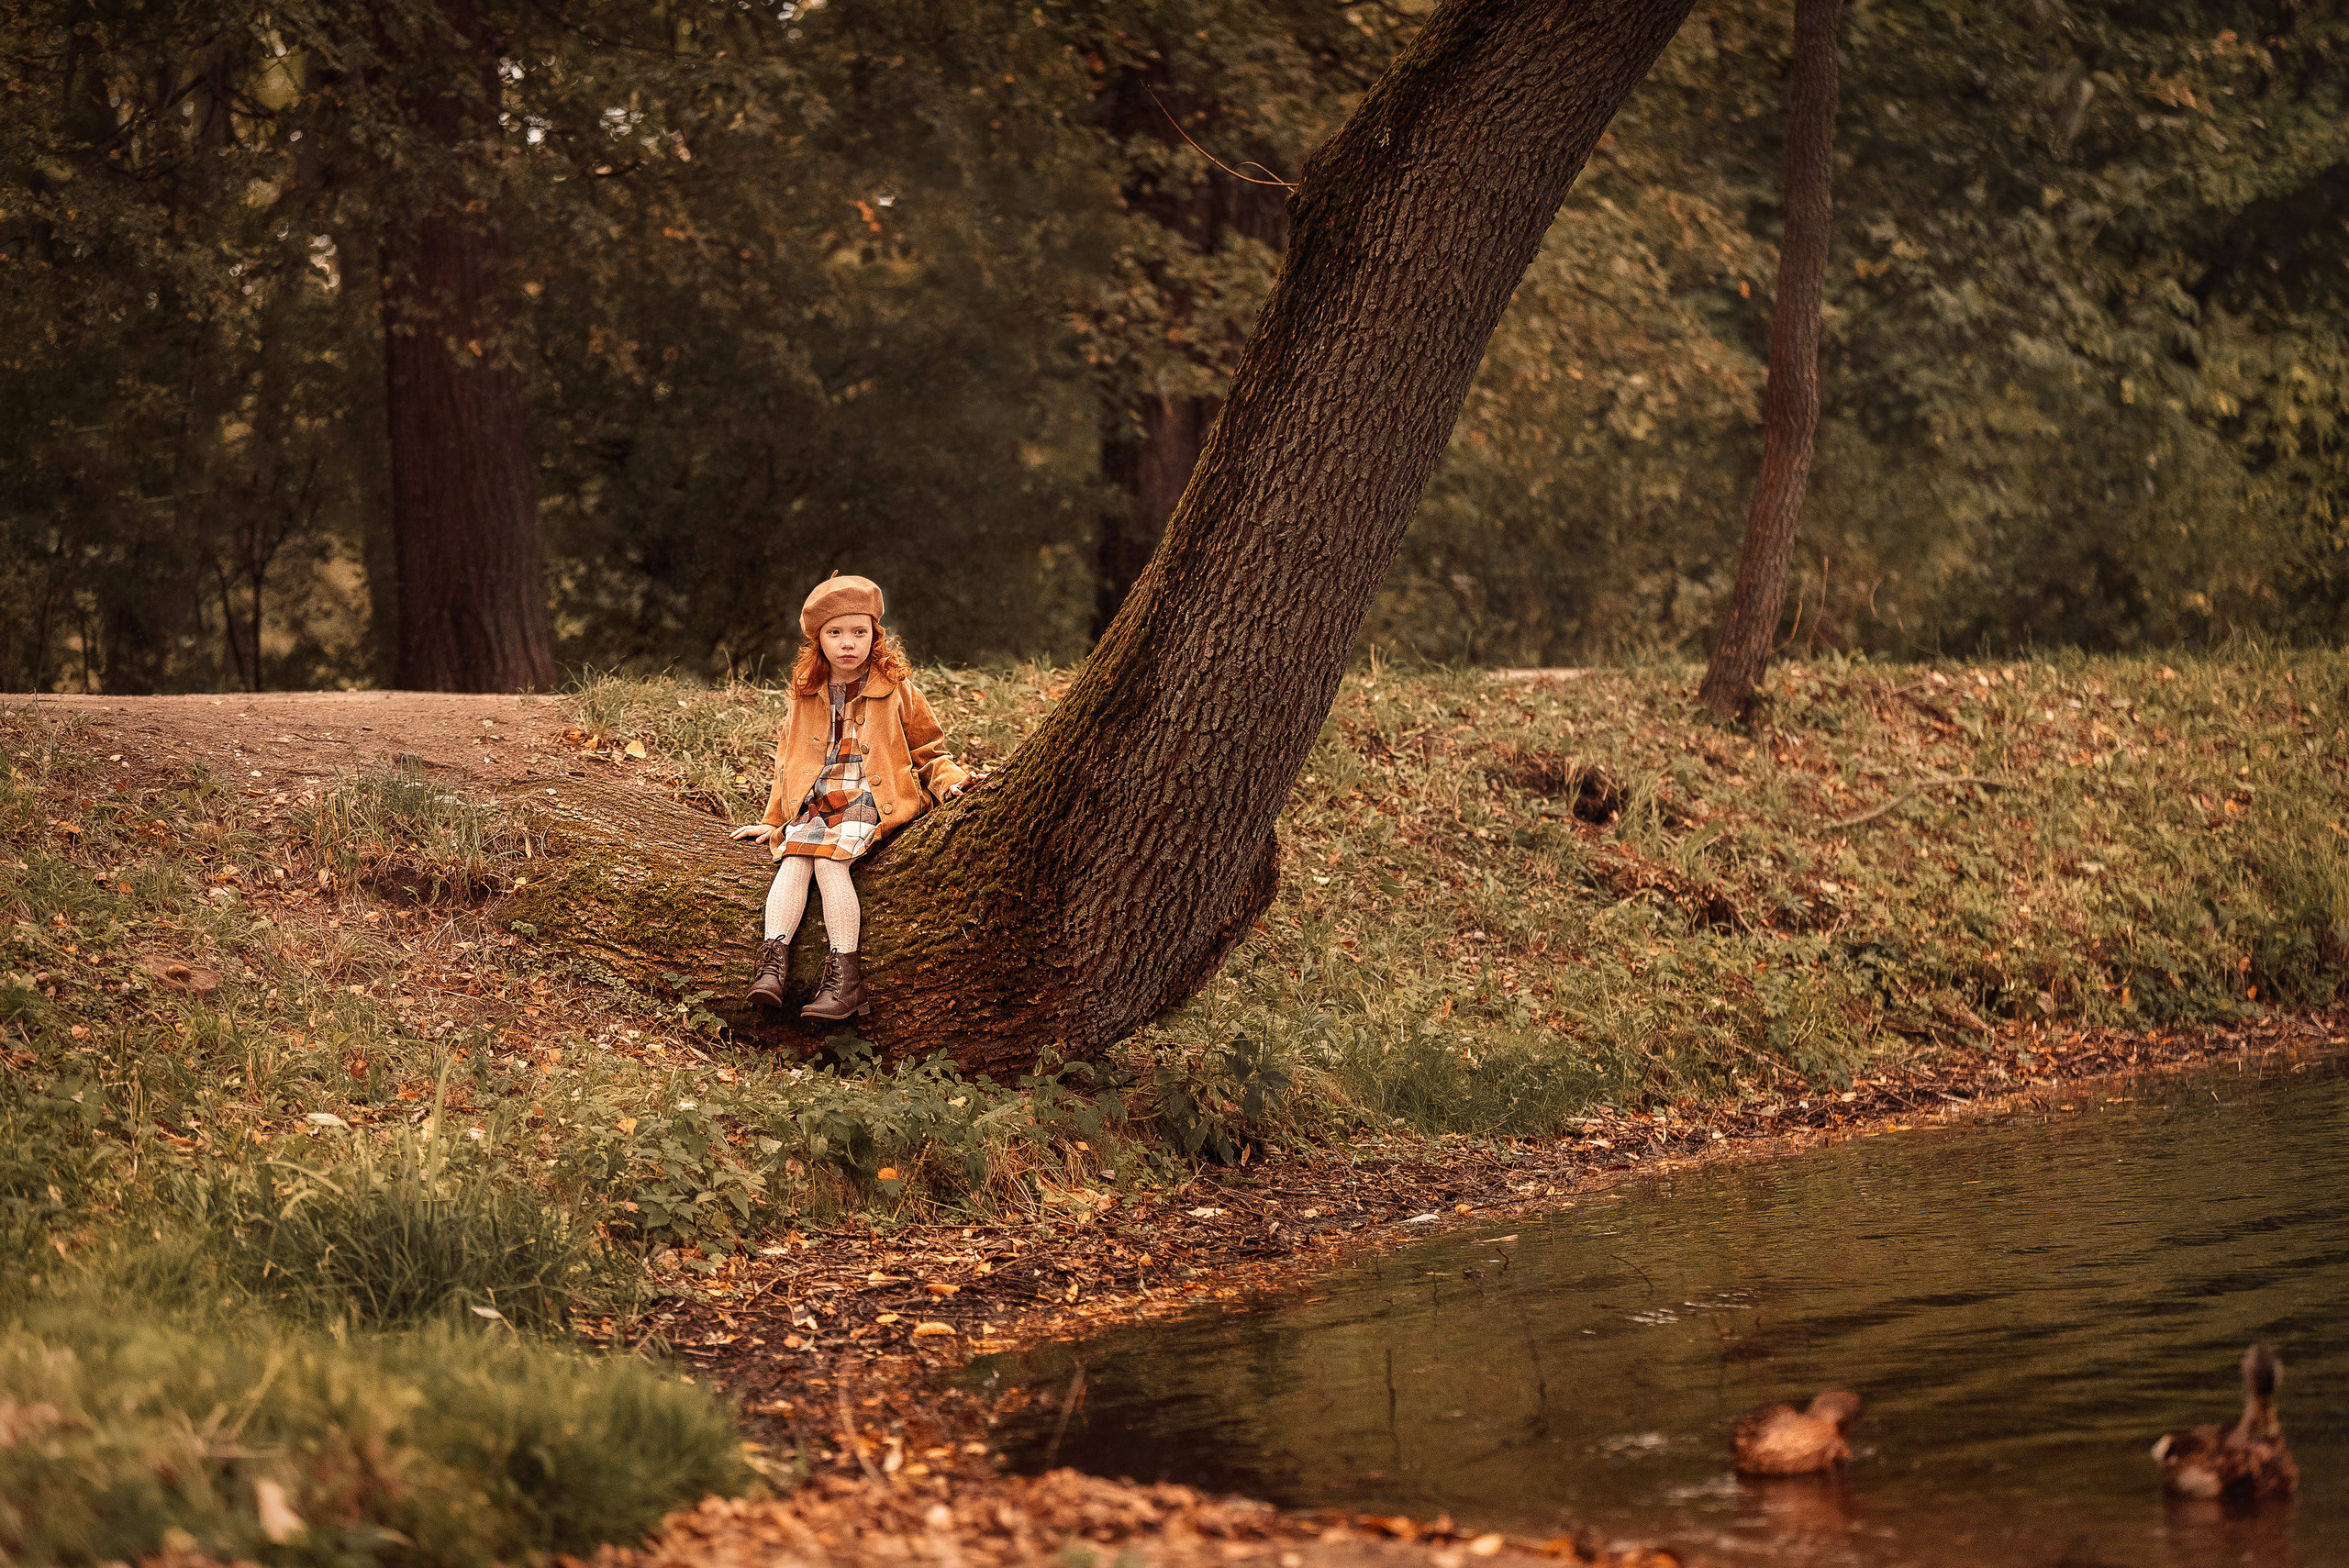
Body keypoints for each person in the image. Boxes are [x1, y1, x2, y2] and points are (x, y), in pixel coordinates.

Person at [730, 574, 973, 1021]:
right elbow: (788, 761)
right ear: (818, 640)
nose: (848, 643)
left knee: (829, 861)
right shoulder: (806, 693)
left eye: (859, 632)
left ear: (875, 636)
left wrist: (950, 782)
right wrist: (775, 819)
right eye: (835, 633)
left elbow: (929, 751)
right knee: (793, 858)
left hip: (871, 797)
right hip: (821, 797)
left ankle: (846, 981)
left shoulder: (897, 688)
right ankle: (771, 967)